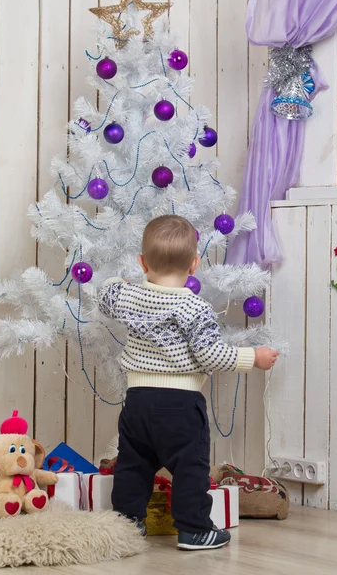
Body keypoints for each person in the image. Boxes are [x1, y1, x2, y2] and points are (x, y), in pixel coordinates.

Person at [98, 215, 278, 551]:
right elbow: (211, 355)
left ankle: (125, 523)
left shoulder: (129, 295)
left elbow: (106, 293)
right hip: (179, 404)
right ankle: (194, 529)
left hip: (137, 401)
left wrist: (119, 280)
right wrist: (253, 357)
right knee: (190, 466)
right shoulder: (194, 307)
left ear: (142, 262)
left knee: (133, 464)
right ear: (194, 264)